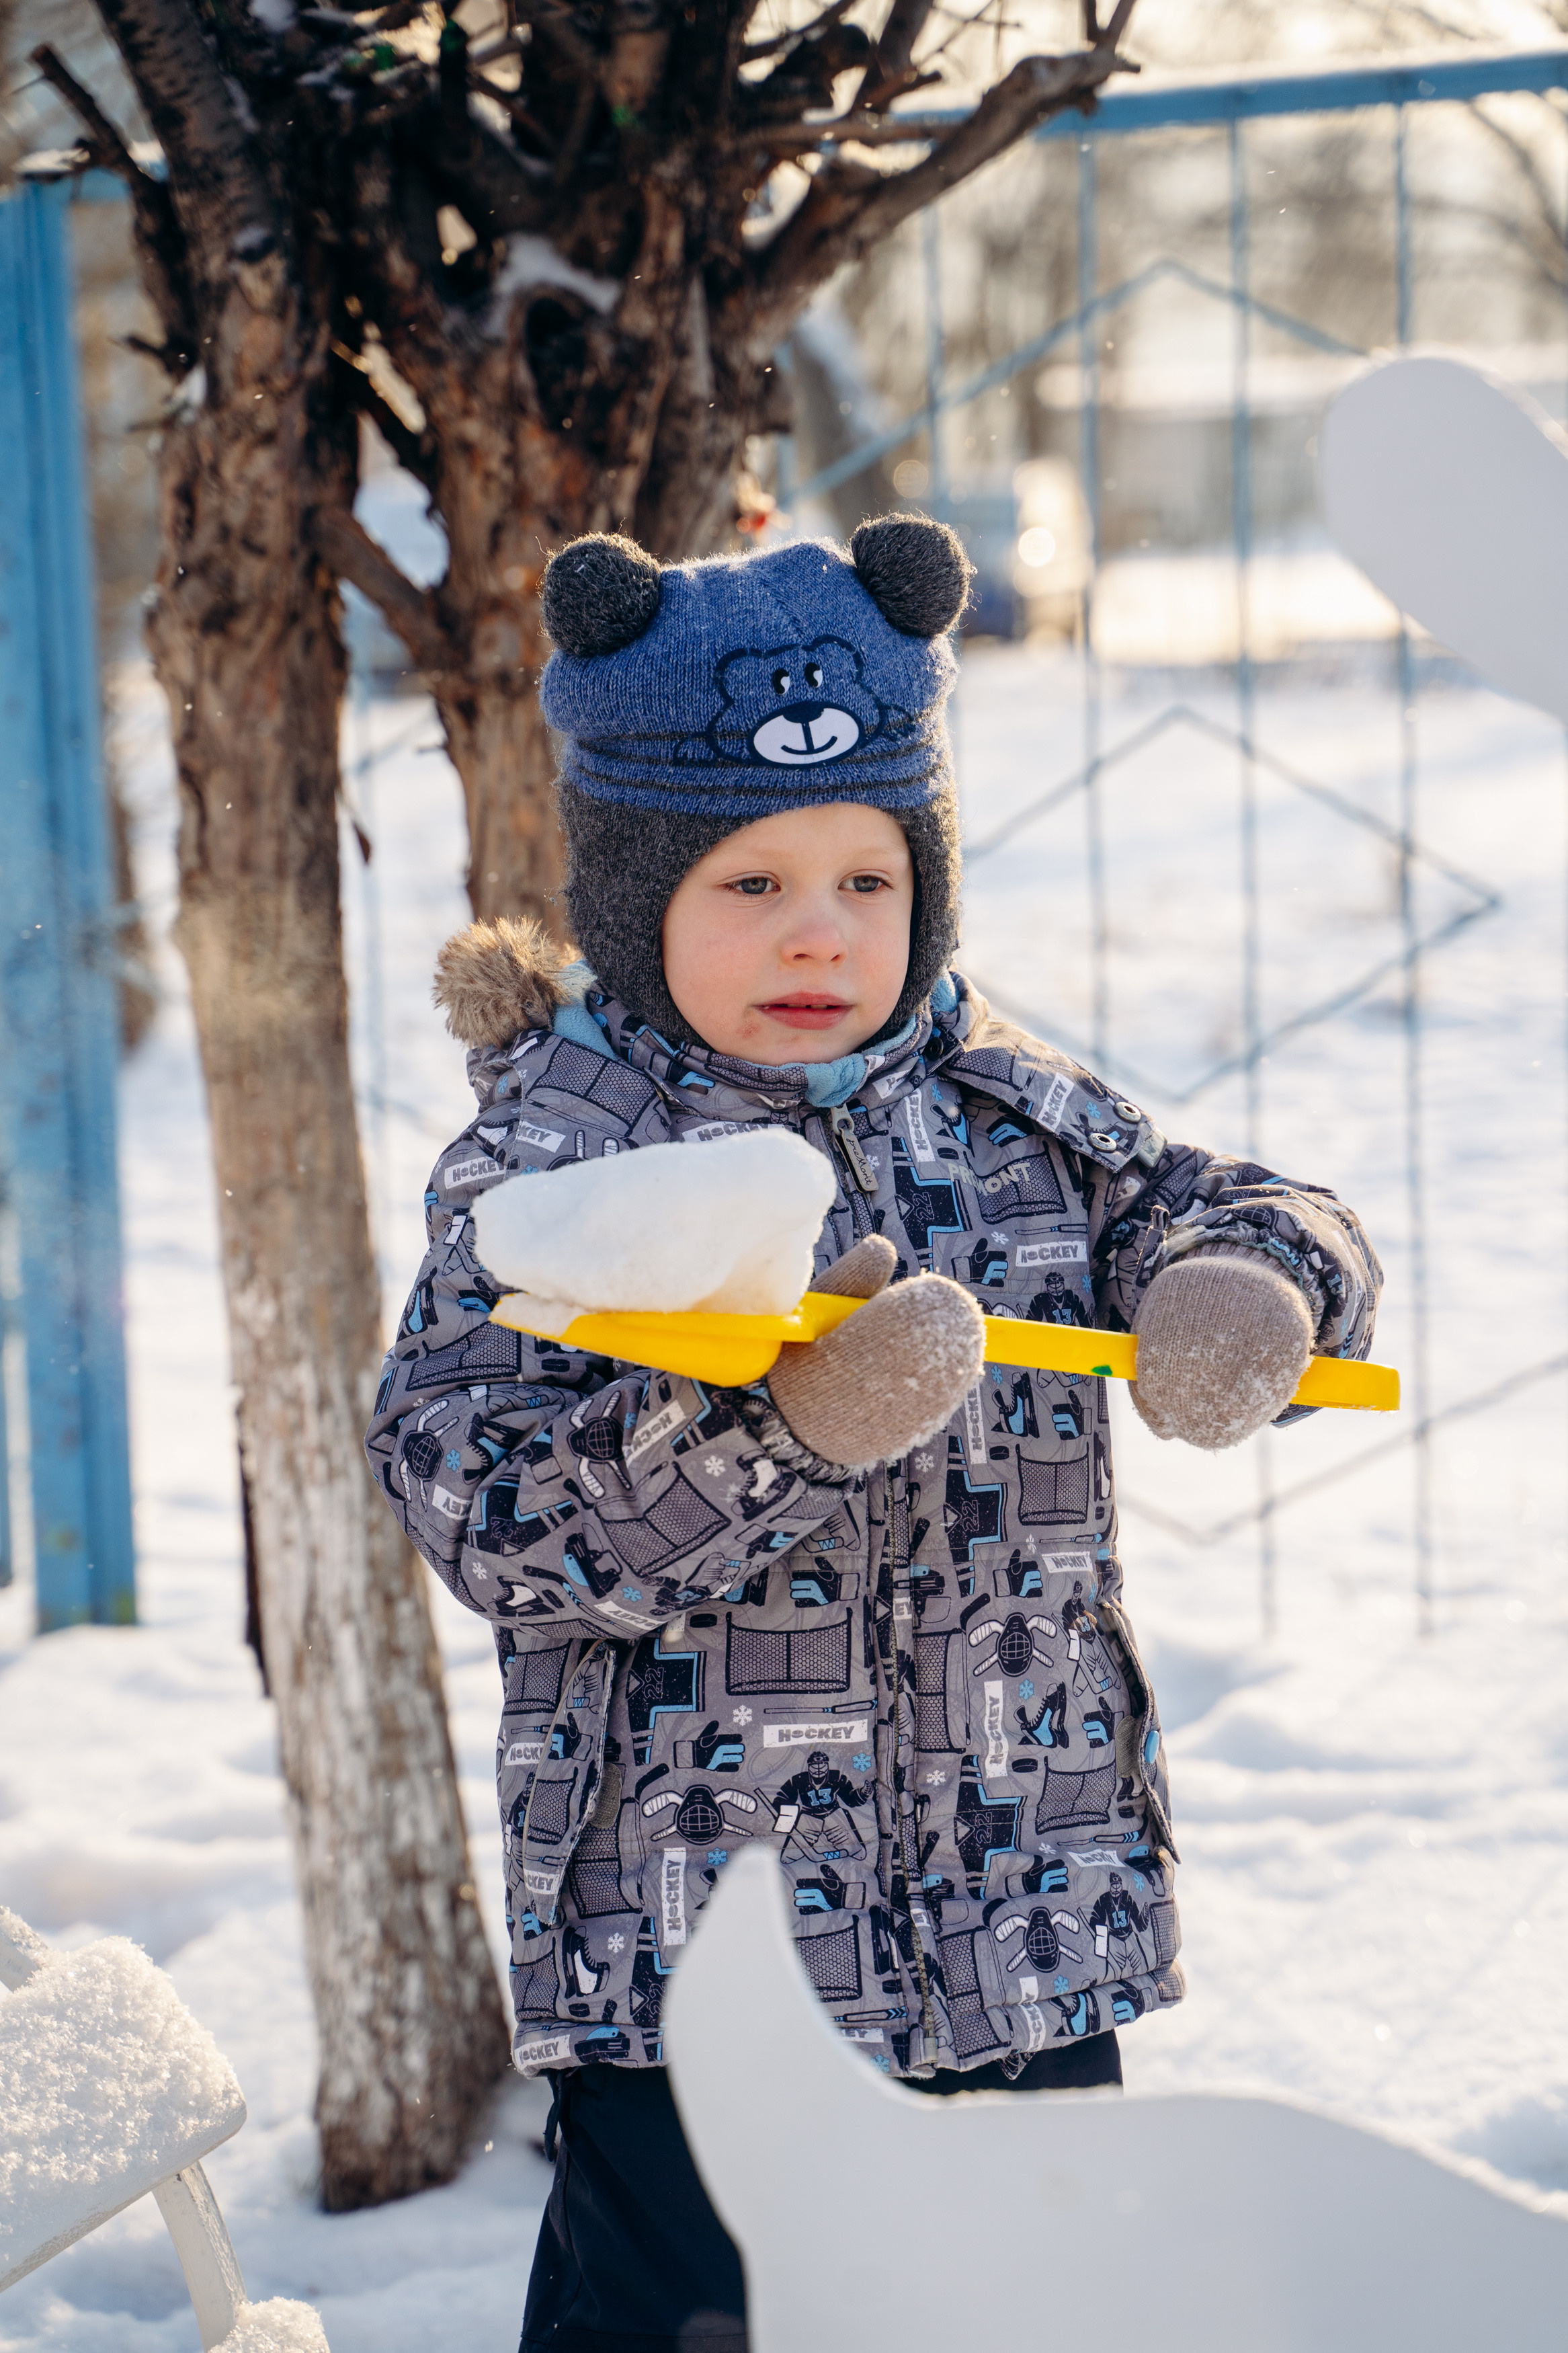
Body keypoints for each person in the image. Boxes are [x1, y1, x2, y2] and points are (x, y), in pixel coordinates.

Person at [364, 517, 1382, 2353]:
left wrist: (1257, 1284)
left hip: (1022, 1908)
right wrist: (780, 1439)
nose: (821, 929)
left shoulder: (1014, 1111)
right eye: (749, 886)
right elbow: (474, 1489)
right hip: (696, 1952)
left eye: (864, 877)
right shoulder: (555, 1166)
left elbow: (1239, 1201)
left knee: (1037, 2314)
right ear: (633, 894)